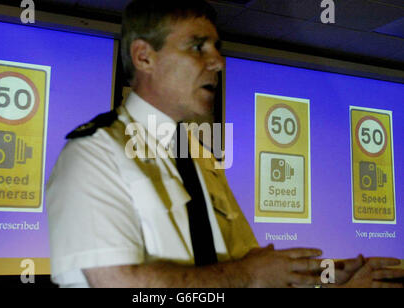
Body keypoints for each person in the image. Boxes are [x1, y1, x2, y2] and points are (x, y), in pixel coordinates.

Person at [46, 0, 403, 288]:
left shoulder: (199, 156)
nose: (217, 62)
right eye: (197, 47)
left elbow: (243, 265)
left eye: (216, 48)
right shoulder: (93, 154)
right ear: (144, 57)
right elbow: (115, 283)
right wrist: (248, 276)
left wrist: (328, 278)